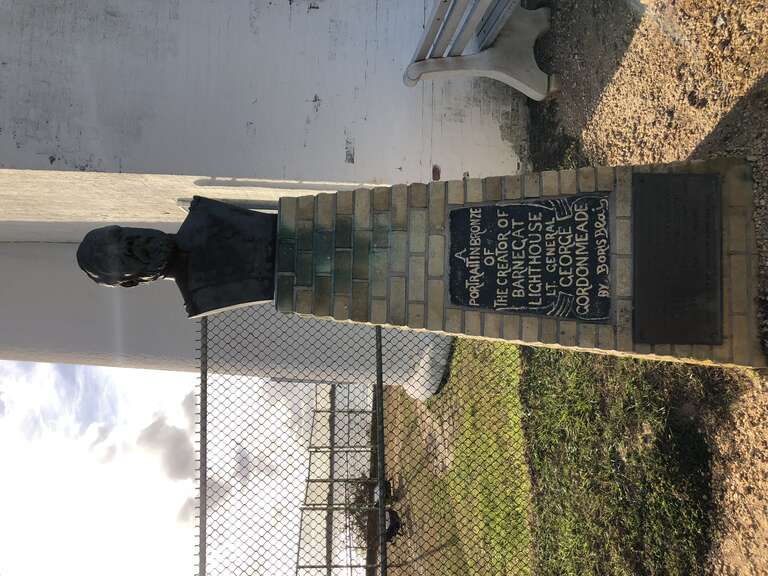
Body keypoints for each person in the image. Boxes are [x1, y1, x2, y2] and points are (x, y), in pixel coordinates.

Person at [77, 196, 277, 318]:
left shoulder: (204, 214)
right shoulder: (201, 297)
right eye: (120, 259)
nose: (131, 245)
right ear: (131, 281)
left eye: (120, 237)